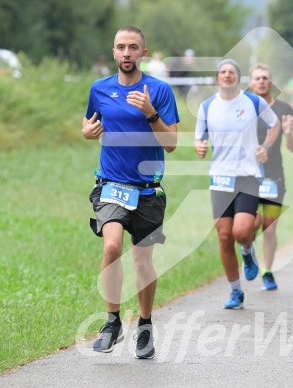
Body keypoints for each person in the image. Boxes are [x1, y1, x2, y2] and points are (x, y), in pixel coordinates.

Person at [81, 25, 179, 358]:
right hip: (111, 185)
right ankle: (112, 321)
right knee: (111, 247)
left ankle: (146, 326)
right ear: (113, 53)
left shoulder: (160, 90)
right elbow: (87, 125)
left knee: (141, 261)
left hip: (148, 191)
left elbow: (171, 144)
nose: (126, 53)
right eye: (121, 47)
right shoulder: (99, 88)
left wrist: (150, 113)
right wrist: (87, 132)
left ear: (143, 53)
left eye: (133, 47)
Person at [194, 59, 279, 308]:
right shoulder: (207, 106)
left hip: (247, 175)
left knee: (241, 231)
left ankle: (247, 251)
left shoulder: (253, 102)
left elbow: (273, 126)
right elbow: (200, 139)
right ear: (217, 77)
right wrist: (199, 146)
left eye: (232, 72)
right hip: (220, 177)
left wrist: (266, 147)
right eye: (223, 72)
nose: (227, 75)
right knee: (223, 237)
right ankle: (235, 291)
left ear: (238, 78)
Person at [248, 63, 293, 291]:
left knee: (269, 227)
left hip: (274, 175)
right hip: (247, 175)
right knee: (250, 224)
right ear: (250, 82)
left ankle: (267, 270)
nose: (261, 81)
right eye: (257, 78)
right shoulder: (243, 107)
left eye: (265, 78)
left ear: (271, 82)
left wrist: (289, 134)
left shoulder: (284, 108)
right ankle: (248, 251)